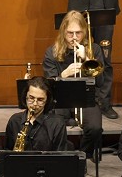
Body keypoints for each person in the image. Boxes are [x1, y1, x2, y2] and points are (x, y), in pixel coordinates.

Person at [42, 11, 105, 165]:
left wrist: (87, 59)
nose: (74, 38)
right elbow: (48, 87)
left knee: (95, 128)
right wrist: (63, 75)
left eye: (78, 33)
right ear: (63, 32)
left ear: (84, 32)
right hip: (61, 100)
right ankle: (64, 159)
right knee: (54, 126)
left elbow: (101, 82)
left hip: (86, 99)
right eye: (70, 33)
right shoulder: (51, 52)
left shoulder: (94, 49)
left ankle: (81, 156)